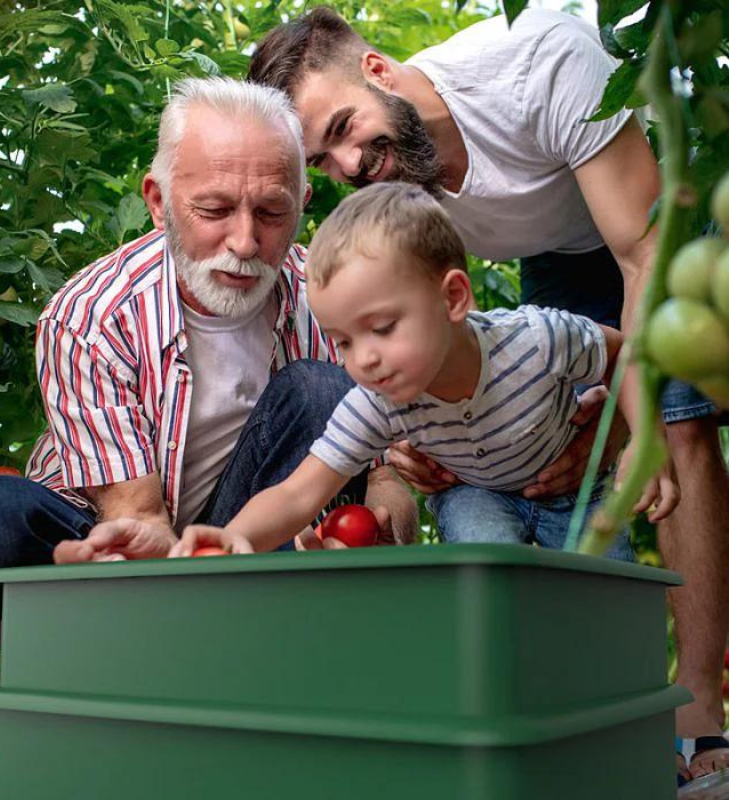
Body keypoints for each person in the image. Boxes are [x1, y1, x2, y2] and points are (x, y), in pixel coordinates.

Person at [248, 7, 729, 779]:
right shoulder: (396, 188)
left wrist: (633, 421)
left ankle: (700, 711)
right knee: (577, 443)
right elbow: (434, 329)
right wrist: (414, 446)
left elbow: (639, 258)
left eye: (343, 128)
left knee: (675, 422)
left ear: (376, 69)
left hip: (653, 207)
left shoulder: (538, 63)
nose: (348, 164)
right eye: (325, 161)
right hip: (557, 248)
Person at [0, 77, 417, 647]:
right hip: (112, 541)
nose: (244, 241)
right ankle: (95, 666)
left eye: (270, 212)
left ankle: (248, 645)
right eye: (213, 209)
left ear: (302, 204)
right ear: (158, 202)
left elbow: (380, 466)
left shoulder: (327, 297)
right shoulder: (91, 315)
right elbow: (135, 515)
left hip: (248, 547)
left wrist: (389, 512)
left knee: (318, 388)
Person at [171, 183, 677, 559]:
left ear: (453, 297)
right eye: (344, 341)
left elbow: (621, 354)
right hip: (475, 493)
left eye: (383, 327)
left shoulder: (537, 339)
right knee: (488, 573)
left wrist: (646, 437)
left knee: (606, 590)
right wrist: (236, 535)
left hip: (573, 492)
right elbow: (299, 491)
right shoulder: (377, 401)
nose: (362, 359)